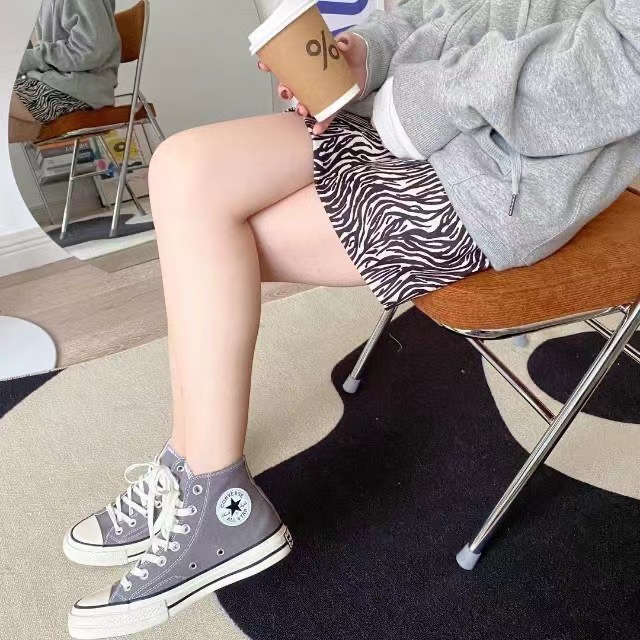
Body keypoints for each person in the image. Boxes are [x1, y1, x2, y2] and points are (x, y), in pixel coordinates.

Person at [62, 1, 640, 637]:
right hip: (411, 116)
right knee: (180, 169)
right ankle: (195, 466)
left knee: (211, 241)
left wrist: (426, 102)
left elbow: (626, 61)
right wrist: (364, 57)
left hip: (504, 169)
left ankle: (211, 489)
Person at [9, 0, 120, 143]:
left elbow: (92, 51)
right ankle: (37, 130)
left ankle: (38, 129)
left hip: (79, 88)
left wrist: (27, 60)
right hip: (53, 81)